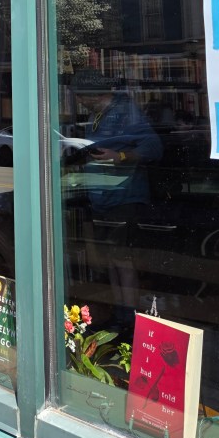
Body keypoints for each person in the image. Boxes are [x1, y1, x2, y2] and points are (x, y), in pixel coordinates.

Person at [72, 70, 162, 335]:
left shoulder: (127, 113)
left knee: (123, 260)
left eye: (81, 97)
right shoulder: (95, 116)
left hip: (124, 197)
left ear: (94, 95)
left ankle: (132, 322)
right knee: (111, 259)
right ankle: (120, 315)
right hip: (102, 197)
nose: (78, 102)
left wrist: (120, 155)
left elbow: (154, 147)